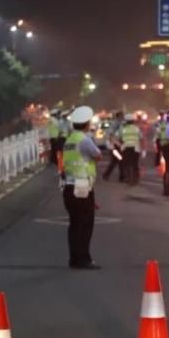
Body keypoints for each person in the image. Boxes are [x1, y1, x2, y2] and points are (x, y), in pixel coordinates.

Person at [61, 106, 103, 269]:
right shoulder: (84, 140)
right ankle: (83, 259)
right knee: (85, 224)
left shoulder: (69, 140)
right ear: (86, 124)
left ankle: (74, 258)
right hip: (82, 186)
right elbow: (98, 155)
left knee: (74, 224)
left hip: (70, 186)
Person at [120, 113, 142, 185]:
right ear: (133, 121)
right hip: (135, 148)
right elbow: (141, 138)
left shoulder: (123, 129)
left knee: (126, 164)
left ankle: (128, 179)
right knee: (135, 164)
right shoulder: (136, 128)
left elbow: (116, 138)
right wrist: (143, 149)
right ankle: (135, 179)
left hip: (126, 148)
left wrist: (120, 144)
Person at [102, 111, 125, 182]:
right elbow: (111, 134)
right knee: (120, 160)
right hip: (115, 145)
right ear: (119, 116)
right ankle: (121, 177)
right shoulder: (116, 123)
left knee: (115, 161)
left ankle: (106, 175)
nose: (123, 117)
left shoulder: (119, 123)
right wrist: (115, 143)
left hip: (117, 145)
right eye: (122, 116)